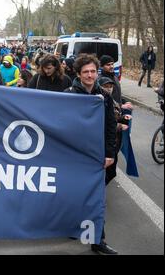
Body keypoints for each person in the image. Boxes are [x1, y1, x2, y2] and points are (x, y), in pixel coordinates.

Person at [64, 54, 118, 255]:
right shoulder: (68, 94)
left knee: (96, 198)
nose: (90, 75)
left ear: (97, 72)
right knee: (72, 194)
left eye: (93, 71)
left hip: (96, 156)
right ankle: (71, 226)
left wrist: (110, 153)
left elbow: (111, 126)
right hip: (73, 155)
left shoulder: (104, 95)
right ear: (78, 74)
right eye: (85, 71)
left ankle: (98, 241)